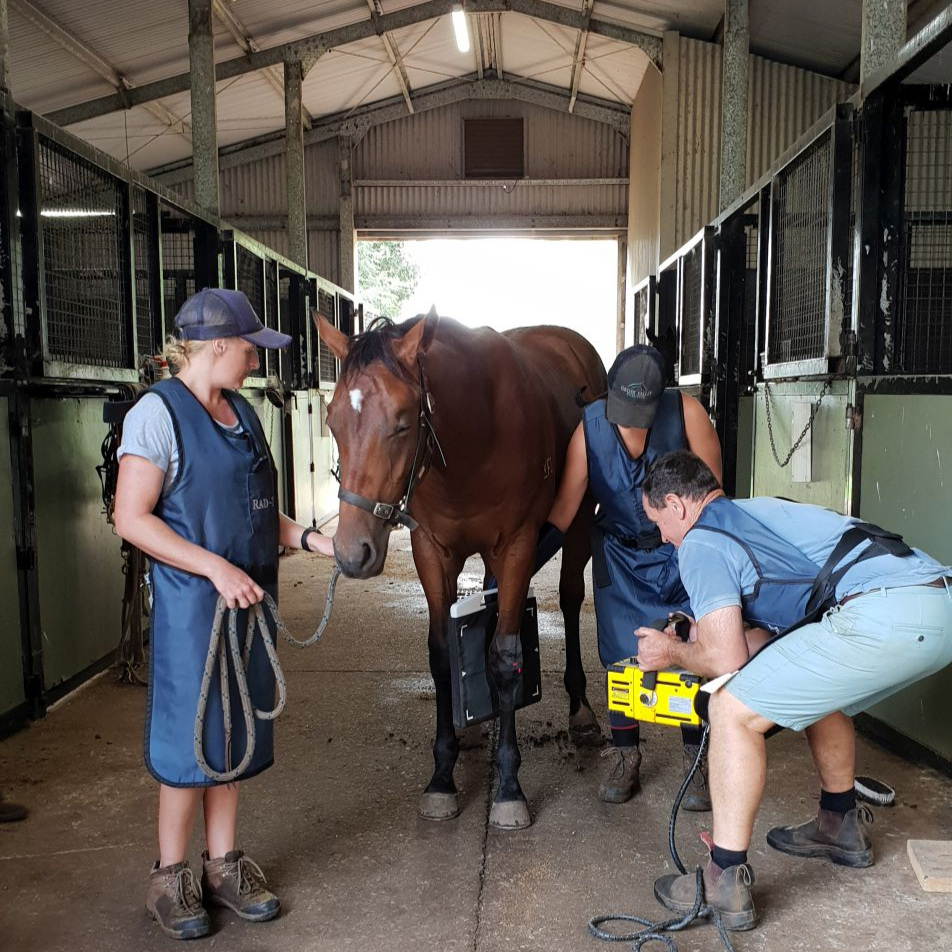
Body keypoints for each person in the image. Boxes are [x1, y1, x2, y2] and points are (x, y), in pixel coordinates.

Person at [636, 449, 952, 931]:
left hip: (882, 613)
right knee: (808, 685)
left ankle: (723, 879)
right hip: (935, 602)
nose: (662, 536)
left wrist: (670, 653)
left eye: (658, 522)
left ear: (678, 504)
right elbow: (770, 646)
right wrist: (701, 635)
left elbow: (728, 661)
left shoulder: (700, 541)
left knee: (731, 709)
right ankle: (838, 824)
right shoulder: (754, 513)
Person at [113, 288, 335, 941]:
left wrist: (316, 542)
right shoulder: (158, 415)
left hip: (249, 600)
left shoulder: (242, 413)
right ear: (217, 346)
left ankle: (222, 865)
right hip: (194, 609)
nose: (254, 361)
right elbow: (131, 517)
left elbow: (262, 516)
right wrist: (211, 566)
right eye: (249, 348)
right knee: (190, 742)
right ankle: (170, 874)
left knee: (232, 734)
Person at [545, 344, 722, 806]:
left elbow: (714, 504)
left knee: (690, 649)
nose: (630, 424)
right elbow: (564, 513)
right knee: (622, 656)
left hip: (680, 553)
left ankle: (696, 759)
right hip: (620, 556)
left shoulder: (688, 415)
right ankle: (626, 756)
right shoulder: (590, 429)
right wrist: (519, 570)